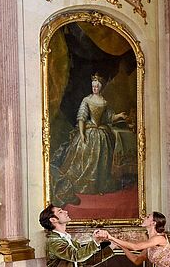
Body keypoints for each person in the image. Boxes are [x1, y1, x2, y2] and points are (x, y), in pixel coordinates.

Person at [51, 74, 128, 207]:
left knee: (102, 155)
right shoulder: (86, 100)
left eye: (97, 86)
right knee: (84, 154)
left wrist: (119, 115)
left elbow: (109, 117)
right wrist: (82, 134)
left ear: (101, 87)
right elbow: (81, 117)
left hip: (101, 132)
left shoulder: (104, 102)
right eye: (93, 86)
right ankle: (85, 182)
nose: (95, 88)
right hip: (88, 131)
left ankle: (99, 183)